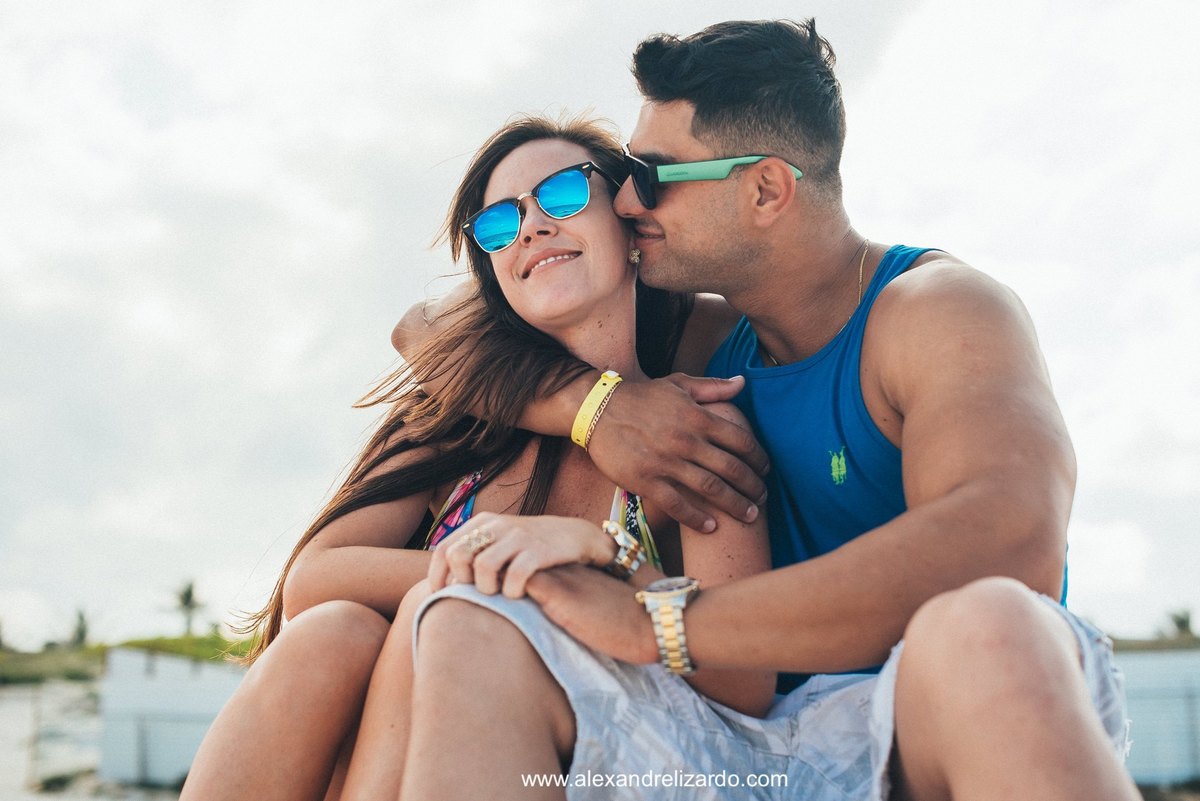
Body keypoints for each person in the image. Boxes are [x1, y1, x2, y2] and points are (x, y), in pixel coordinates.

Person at [398, 18, 1137, 801]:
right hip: (749, 744)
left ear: (764, 189)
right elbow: (424, 327)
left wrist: (661, 617)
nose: (623, 197)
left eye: (652, 175)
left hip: (929, 720)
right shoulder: (712, 340)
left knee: (987, 622)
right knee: (473, 621)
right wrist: (595, 410)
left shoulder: (933, 312)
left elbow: (1007, 537)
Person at [179, 115, 773, 801]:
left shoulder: (689, 427)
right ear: (496, 273)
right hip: (414, 737)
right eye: (498, 223)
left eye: (561, 195)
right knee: (332, 632)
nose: (530, 226)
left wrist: (598, 558)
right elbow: (314, 580)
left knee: (447, 606)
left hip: (588, 751)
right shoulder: (458, 413)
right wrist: (502, 564)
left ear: (630, 227)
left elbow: (745, 680)